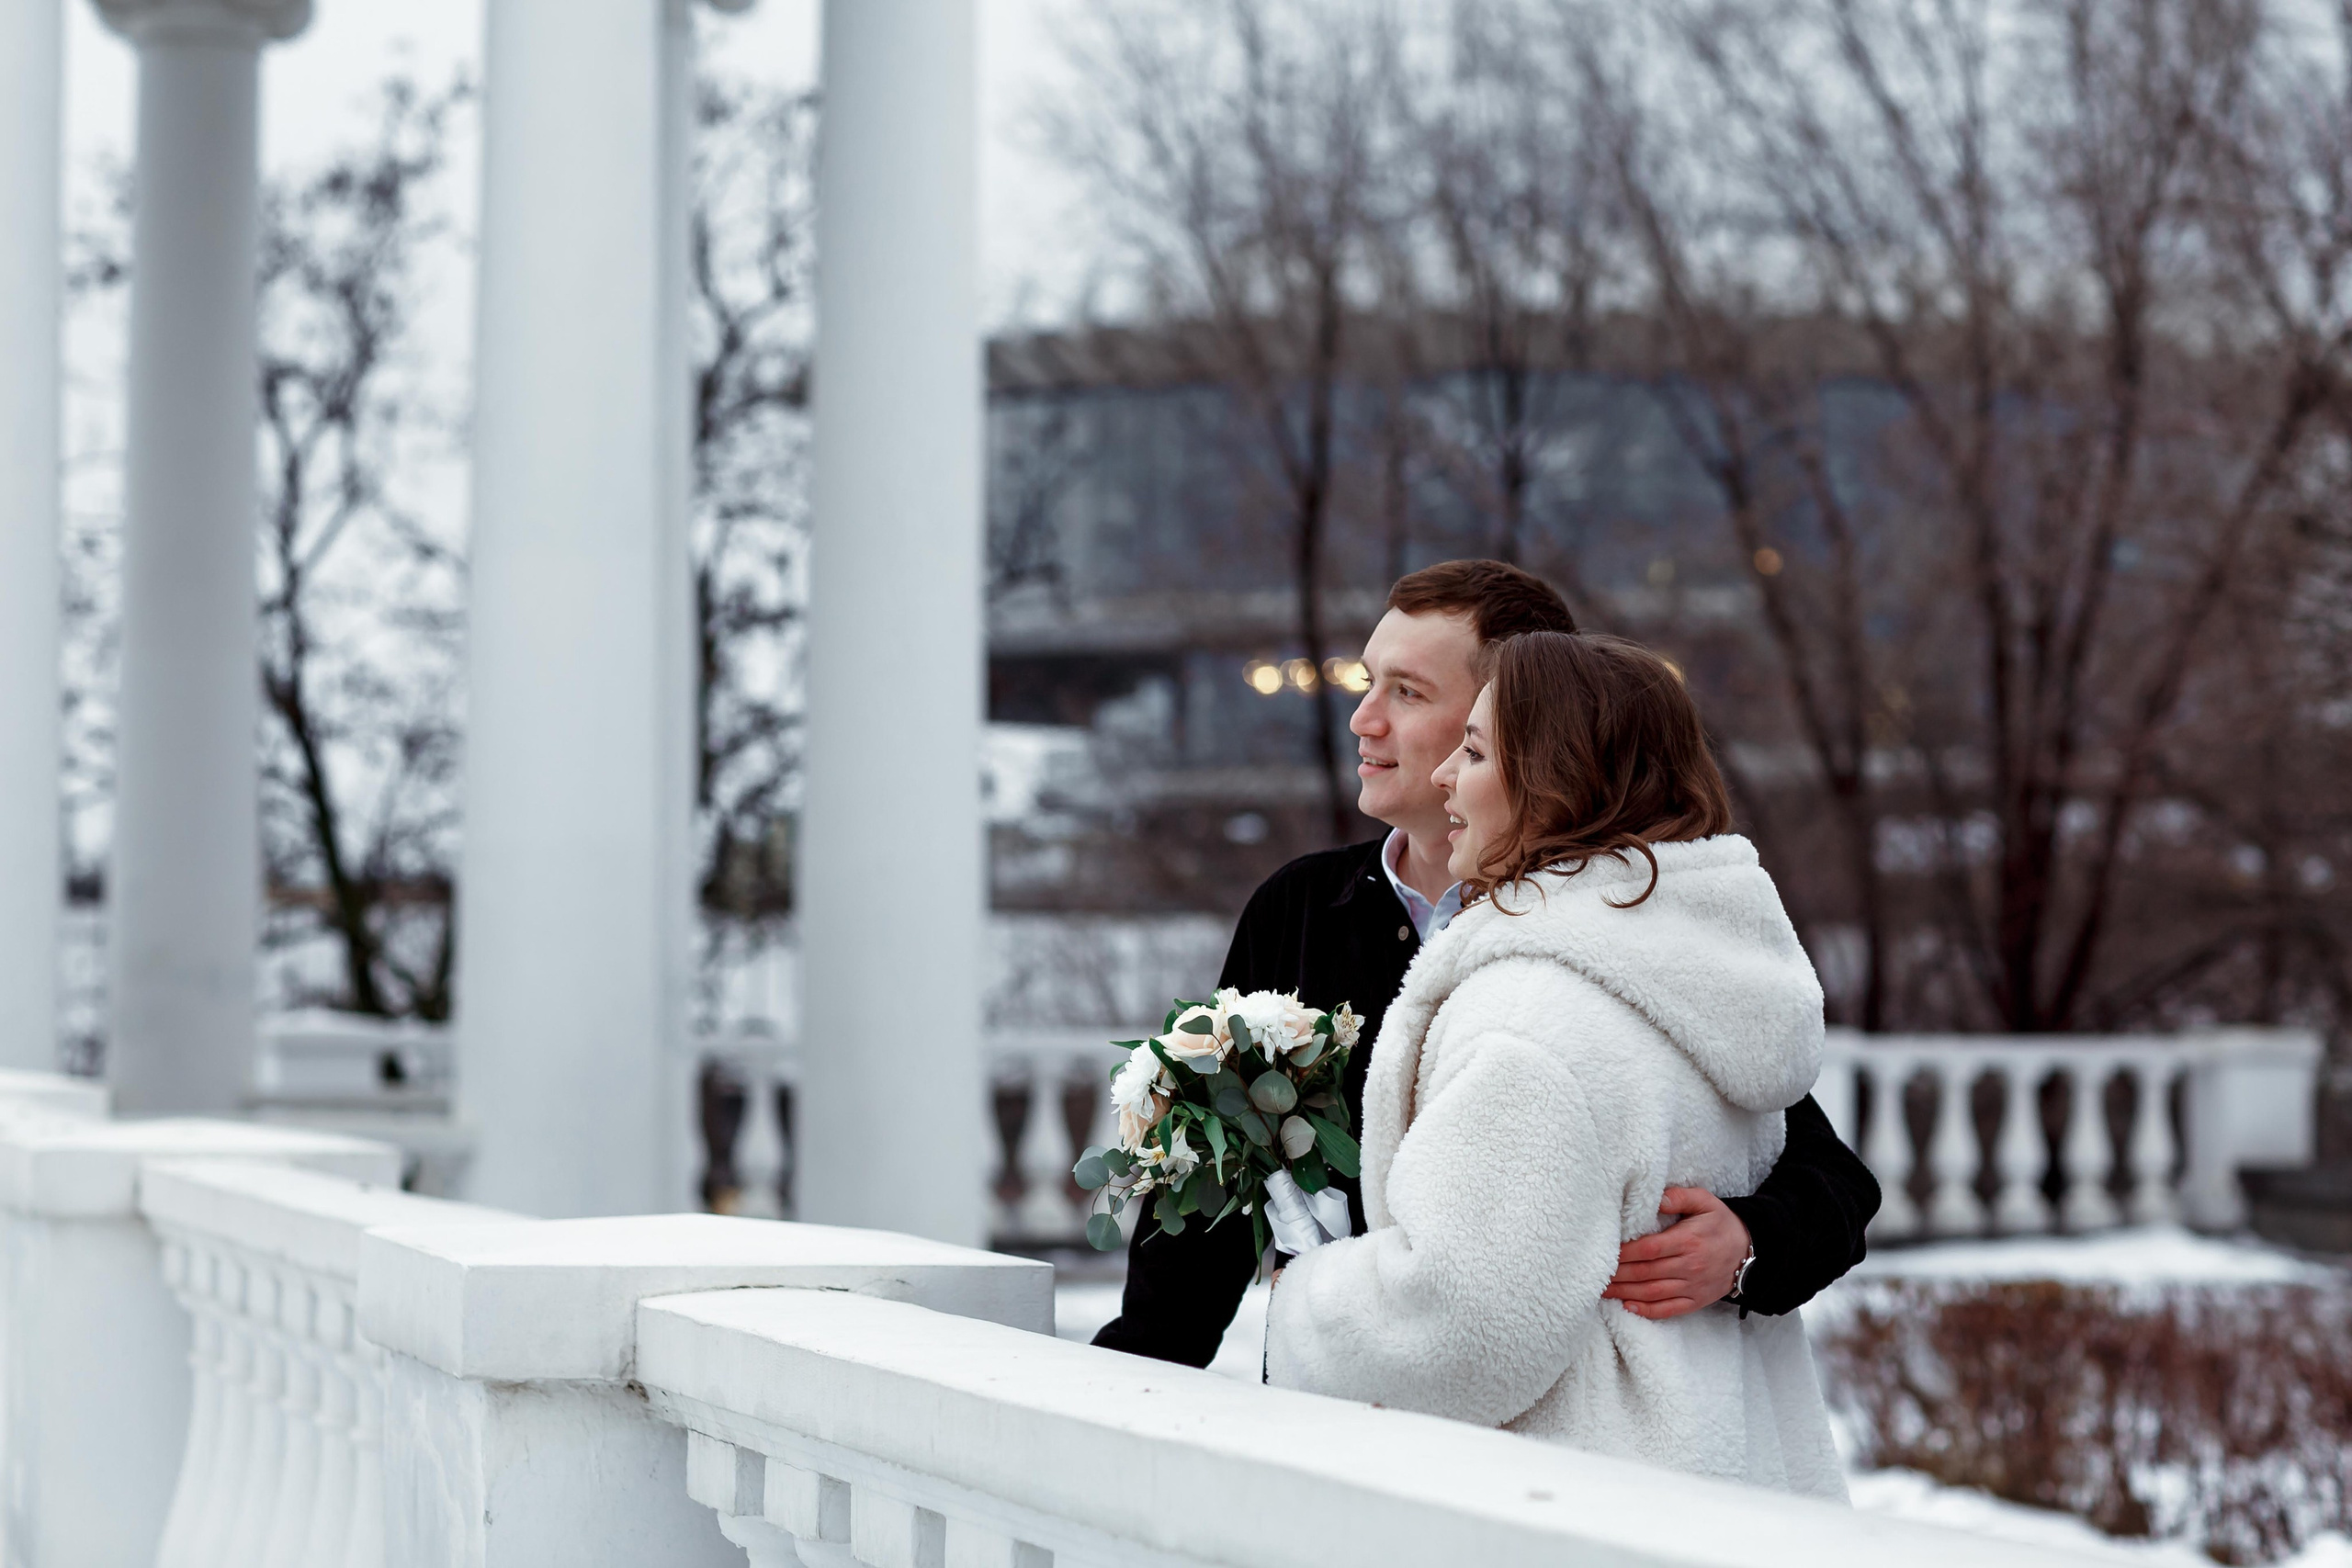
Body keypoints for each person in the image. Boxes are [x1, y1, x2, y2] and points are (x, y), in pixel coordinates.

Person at [1091, 559, 1877, 1369]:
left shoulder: (1600, 924)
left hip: (1545, 1428)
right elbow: (1207, 1194)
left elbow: (1815, 1160)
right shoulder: (1297, 909)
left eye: (1408, 692)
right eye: (1368, 682)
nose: (1363, 719)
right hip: (1339, 1415)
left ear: (1523, 723)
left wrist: (1753, 1242)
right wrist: (1129, 1381)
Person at [1263, 630, 1845, 1495]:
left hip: (1576, 1497)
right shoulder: (1688, 972)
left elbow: (1464, 1328)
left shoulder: (1532, 1023)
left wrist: (1309, 1293)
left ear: (1555, 777)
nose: (1444, 778)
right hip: (1717, 1480)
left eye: (1473, 749)